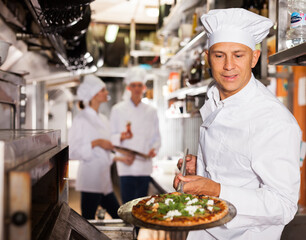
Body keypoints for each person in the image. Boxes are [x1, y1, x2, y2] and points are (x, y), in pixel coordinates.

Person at [173, 8, 302, 240]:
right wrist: (201, 167)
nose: (228, 66)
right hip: (203, 230)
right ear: (207, 58)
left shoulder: (274, 121)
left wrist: (214, 190)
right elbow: (234, 163)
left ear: (254, 57)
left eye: (238, 55)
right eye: (219, 55)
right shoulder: (214, 98)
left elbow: (284, 205)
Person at [68, 74, 133, 219]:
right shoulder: (81, 119)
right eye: (103, 90)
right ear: (94, 94)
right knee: (87, 224)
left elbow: (106, 148)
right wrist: (95, 142)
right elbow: (71, 152)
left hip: (104, 180)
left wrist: (121, 151)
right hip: (90, 181)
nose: (107, 92)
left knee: (120, 218)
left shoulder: (103, 119)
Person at [110, 66, 161, 204]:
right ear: (128, 88)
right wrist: (121, 136)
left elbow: (157, 137)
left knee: (141, 205)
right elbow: (111, 138)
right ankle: (129, 226)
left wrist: (154, 150)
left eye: (139, 85)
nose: (137, 88)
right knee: (127, 204)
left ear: (144, 88)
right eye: (133, 85)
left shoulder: (151, 111)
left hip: (144, 166)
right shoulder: (117, 110)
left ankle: (135, 227)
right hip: (126, 165)